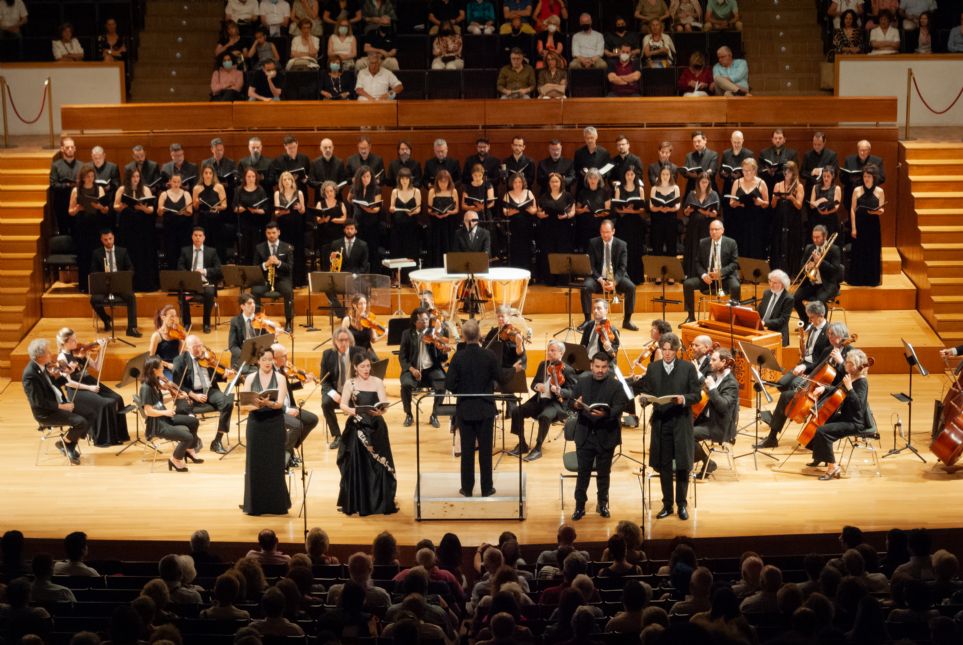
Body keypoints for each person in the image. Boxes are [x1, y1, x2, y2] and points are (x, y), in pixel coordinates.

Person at [635, 332, 702, 520]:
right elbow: (647, 391)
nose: (666, 353)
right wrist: (644, 400)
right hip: (661, 422)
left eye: (670, 350)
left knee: (682, 464)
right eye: (663, 349)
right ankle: (667, 505)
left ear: (676, 351)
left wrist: (684, 398)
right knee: (664, 465)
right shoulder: (653, 368)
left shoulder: (688, 368)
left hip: (681, 421)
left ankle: (681, 504)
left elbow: (696, 395)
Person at [757, 312, 846, 450]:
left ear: (840, 336)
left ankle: (817, 443)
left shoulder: (849, 352)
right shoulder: (829, 349)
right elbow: (816, 367)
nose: (829, 337)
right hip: (814, 388)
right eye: (828, 334)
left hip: (830, 393)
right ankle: (772, 437)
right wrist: (804, 367)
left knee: (791, 393)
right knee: (786, 396)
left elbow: (849, 375)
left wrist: (841, 362)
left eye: (832, 335)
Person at [445, 319, 505, 497]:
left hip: (465, 409)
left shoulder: (458, 357)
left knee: (467, 451)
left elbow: (449, 383)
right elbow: (501, 379)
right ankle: (487, 489)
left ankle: (467, 488)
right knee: (486, 452)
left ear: (463, 337)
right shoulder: (489, 356)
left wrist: (460, 391)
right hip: (485, 409)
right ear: (480, 336)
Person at [567, 352, 629, 520]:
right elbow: (570, 403)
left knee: (604, 474)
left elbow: (619, 407)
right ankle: (580, 506)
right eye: (597, 367)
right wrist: (576, 404)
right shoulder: (582, 381)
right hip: (585, 434)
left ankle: (602, 504)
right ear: (591, 366)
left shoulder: (616, 386)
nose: (600, 370)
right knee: (583, 473)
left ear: (608, 367)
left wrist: (606, 414)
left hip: (606, 434)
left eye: (603, 367)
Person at [338, 353, 399, 515]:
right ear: (356, 368)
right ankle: (361, 501)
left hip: (376, 426)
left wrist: (381, 411)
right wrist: (354, 411)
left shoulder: (378, 382)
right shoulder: (349, 383)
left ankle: (379, 501)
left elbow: (384, 405)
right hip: (358, 427)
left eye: (368, 366)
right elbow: (343, 405)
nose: (366, 369)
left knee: (379, 466)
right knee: (359, 465)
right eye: (362, 366)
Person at [56, 327, 130, 448]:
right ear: (65, 343)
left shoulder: (80, 351)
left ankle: (118, 434)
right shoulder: (61, 358)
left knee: (117, 398)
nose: (76, 342)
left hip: (89, 381)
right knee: (106, 403)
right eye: (73, 340)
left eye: (75, 339)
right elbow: (68, 382)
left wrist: (101, 350)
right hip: (77, 390)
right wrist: (89, 388)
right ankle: (103, 438)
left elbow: (97, 367)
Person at [240, 347, 291, 515]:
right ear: (258, 361)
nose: (268, 362)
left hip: (275, 423)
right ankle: (255, 506)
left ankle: (276, 505)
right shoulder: (250, 378)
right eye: (264, 359)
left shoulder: (281, 378)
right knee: (255, 465)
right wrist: (257, 404)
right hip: (256, 424)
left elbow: (280, 403)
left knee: (274, 464)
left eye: (270, 359)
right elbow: (244, 407)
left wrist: (269, 404)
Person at [22, 339, 89, 466]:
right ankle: (67, 444)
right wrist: (62, 406)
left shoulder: (41, 366)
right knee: (81, 422)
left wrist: (66, 374)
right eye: (48, 352)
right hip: (46, 413)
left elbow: (53, 385)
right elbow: (38, 402)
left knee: (90, 413)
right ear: (39, 356)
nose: (51, 354)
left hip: (56, 405)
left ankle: (66, 443)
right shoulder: (30, 375)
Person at [806, 349, 871, 480]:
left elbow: (858, 406)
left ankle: (833, 467)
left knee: (823, 431)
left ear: (855, 366)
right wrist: (824, 388)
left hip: (855, 422)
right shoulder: (850, 377)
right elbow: (838, 389)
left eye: (848, 363)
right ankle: (821, 456)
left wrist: (850, 388)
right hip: (846, 417)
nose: (845, 364)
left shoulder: (861, 382)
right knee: (821, 421)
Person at [509, 339, 575, 461]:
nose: (549, 353)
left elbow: (572, 392)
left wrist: (559, 390)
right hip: (540, 400)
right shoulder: (543, 365)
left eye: (553, 351)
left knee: (544, 417)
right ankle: (522, 444)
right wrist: (537, 386)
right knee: (517, 411)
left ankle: (538, 448)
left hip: (556, 404)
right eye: (548, 350)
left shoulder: (568, 370)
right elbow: (533, 383)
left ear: (561, 353)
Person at [172, 335, 236, 454]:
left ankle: (217, 441)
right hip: (190, 392)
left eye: (200, 346)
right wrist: (193, 395)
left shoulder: (207, 358)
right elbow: (178, 384)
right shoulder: (179, 360)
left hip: (209, 390)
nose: (198, 349)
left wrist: (224, 375)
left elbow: (215, 376)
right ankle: (194, 440)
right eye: (195, 347)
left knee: (228, 402)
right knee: (183, 409)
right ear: (187, 348)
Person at [139, 356, 202, 473]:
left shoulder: (155, 383)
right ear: (154, 370)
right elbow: (148, 411)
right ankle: (175, 459)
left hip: (165, 417)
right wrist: (166, 412)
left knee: (194, 421)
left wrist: (175, 396)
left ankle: (189, 449)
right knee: (187, 436)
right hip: (157, 424)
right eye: (161, 366)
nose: (163, 368)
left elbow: (158, 402)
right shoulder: (146, 388)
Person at [580, 220, 638, 330]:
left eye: (607, 232)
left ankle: (627, 320)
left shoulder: (622, 244)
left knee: (631, 287)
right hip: (598, 277)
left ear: (613, 231)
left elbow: (622, 267)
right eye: (602, 232)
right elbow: (590, 266)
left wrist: (614, 282)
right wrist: (600, 279)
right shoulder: (593, 243)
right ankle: (587, 320)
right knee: (585, 288)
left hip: (615, 277)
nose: (605, 235)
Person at [681, 220, 740, 325]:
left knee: (735, 286)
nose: (713, 232)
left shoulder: (731, 243)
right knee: (688, 284)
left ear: (722, 230)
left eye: (716, 229)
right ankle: (690, 316)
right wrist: (704, 275)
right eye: (711, 229)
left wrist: (721, 273)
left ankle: (734, 318)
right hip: (707, 278)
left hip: (724, 277)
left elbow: (734, 263)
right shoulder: (703, 242)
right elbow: (697, 262)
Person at [271, 342, 319, 468]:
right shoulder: (269, 373)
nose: (287, 359)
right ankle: (284, 455)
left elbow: (287, 388)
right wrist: (286, 410)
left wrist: (302, 382)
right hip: (277, 410)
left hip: (289, 406)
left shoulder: (281, 369)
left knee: (312, 420)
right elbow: (269, 399)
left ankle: (290, 448)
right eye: (284, 356)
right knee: (297, 425)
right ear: (274, 358)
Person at [692, 348, 739, 478]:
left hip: (719, 426)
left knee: (687, 434)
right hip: (707, 420)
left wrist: (712, 388)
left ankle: (707, 462)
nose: (710, 362)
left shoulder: (731, 384)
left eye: (714, 360)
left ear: (723, 362)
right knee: (679, 425)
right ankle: (681, 462)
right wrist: (698, 375)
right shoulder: (715, 376)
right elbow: (707, 389)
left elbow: (723, 406)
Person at [399, 308, 448, 428]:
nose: (426, 322)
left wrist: (443, 350)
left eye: (427, 319)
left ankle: (435, 414)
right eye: (422, 320)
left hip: (431, 369)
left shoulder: (434, 335)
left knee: (442, 383)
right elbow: (402, 357)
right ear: (415, 322)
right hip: (413, 369)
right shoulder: (407, 334)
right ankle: (409, 414)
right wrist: (412, 369)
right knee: (405, 385)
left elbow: (442, 359)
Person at [113, 166, 158, 292]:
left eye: (138, 176)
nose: (136, 179)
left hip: (142, 224)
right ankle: (129, 284)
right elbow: (115, 206)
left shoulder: (145, 189)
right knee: (129, 253)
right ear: (128, 177)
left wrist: (142, 208)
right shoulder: (122, 189)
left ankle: (144, 284)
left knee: (143, 253)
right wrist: (122, 206)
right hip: (127, 224)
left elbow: (151, 209)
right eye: (133, 176)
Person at [320, 328, 367, 448]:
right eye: (340, 340)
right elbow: (324, 381)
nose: (343, 343)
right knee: (325, 403)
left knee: (366, 401)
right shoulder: (327, 354)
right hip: (337, 394)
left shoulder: (359, 352)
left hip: (354, 391)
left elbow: (367, 375)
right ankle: (337, 436)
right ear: (335, 341)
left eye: (346, 340)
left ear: (350, 341)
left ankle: (361, 434)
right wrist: (331, 393)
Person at [89, 229, 141, 337]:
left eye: (110, 239)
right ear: (101, 240)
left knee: (131, 297)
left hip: (119, 285)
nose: (108, 241)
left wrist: (124, 277)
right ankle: (106, 320)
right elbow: (93, 271)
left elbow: (131, 268)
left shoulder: (122, 251)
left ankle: (132, 328)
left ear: (114, 238)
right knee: (94, 300)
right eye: (105, 240)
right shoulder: (97, 253)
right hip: (104, 285)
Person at [69, 163, 110, 293]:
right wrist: (77, 208)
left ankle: (98, 285)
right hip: (82, 225)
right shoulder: (76, 190)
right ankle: (84, 285)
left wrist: (100, 207)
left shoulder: (100, 189)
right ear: (82, 178)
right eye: (87, 176)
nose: (90, 179)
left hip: (96, 225)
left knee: (97, 254)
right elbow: (70, 211)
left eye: (92, 176)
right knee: (83, 255)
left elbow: (106, 210)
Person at [792, 225, 842, 322]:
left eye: (818, 237)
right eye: (813, 237)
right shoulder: (809, 248)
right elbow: (802, 265)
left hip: (827, 284)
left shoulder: (834, 249)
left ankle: (822, 326)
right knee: (795, 297)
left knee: (819, 301)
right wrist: (807, 267)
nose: (815, 240)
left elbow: (835, 270)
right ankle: (807, 322)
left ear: (825, 236)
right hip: (811, 283)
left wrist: (821, 262)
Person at [176, 227, 222, 333]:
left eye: (200, 235)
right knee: (183, 294)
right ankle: (187, 323)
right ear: (192, 237)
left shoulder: (211, 251)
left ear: (204, 238)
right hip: (190, 283)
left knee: (210, 292)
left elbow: (219, 269)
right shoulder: (185, 250)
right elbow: (180, 266)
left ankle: (206, 323)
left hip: (205, 284)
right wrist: (190, 275)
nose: (197, 237)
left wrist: (204, 271)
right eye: (195, 235)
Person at [252, 222, 295, 332]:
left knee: (288, 291)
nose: (271, 235)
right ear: (266, 234)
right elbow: (254, 268)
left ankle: (289, 321)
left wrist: (278, 262)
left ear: (279, 233)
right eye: (269, 233)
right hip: (265, 280)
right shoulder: (259, 248)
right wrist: (265, 264)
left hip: (281, 279)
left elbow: (290, 268)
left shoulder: (288, 247)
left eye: (274, 233)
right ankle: (257, 320)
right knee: (255, 291)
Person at [534, 171, 575, 284]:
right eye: (552, 181)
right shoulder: (543, 196)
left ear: (561, 182)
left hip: (563, 229)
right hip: (547, 229)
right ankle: (550, 279)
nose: (554, 183)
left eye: (556, 181)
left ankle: (563, 280)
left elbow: (573, 211)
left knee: (562, 253)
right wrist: (540, 215)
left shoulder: (567, 196)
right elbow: (538, 211)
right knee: (549, 253)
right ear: (549, 183)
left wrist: (566, 215)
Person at [848, 164, 884, 287]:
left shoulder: (880, 191)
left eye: (869, 176)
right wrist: (853, 227)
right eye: (864, 176)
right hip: (860, 224)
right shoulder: (857, 190)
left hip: (873, 226)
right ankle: (857, 279)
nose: (866, 178)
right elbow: (852, 210)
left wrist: (877, 212)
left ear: (874, 177)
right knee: (859, 251)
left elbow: (881, 210)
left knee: (872, 252)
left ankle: (871, 280)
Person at [728, 157, 769, 259]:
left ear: (754, 170)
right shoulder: (737, 182)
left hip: (756, 220)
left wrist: (760, 202)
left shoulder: (761, 183)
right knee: (740, 244)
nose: (747, 173)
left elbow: (767, 203)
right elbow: (731, 202)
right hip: (740, 220)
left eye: (749, 171)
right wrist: (737, 203)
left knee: (755, 246)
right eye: (744, 170)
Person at [682, 171, 720, 278]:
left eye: (706, 182)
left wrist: (704, 212)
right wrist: (688, 210)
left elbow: (715, 214)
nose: (704, 184)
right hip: (693, 226)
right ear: (698, 182)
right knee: (693, 248)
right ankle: (691, 273)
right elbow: (685, 212)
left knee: (704, 249)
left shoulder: (713, 194)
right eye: (702, 182)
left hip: (707, 227)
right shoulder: (692, 194)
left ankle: (706, 274)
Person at [612, 164, 646, 284]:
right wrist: (626, 210)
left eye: (632, 174)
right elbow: (616, 208)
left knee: (635, 249)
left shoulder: (640, 189)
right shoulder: (618, 188)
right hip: (623, 223)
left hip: (636, 223)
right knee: (623, 249)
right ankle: (622, 278)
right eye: (628, 174)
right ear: (624, 175)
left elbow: (642, 209)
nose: (630, 177)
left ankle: (636, 278)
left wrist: (633, 211)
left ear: (635, 175)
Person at [770, 160, 805, 273]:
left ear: (794, 173)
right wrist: (775, 198)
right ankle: (778, 270)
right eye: (785, 171)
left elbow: (799, 206)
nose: (786, 173)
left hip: (793, 220)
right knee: (779, 243)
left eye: (789, 171)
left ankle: (792, 271)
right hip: (780, 219)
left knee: (792, 244)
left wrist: (792, 198)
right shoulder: (778, 185)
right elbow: (773, 205)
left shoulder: (799, 186)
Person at [501, 171, 537, 269]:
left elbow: (535, 209)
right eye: (515, 182)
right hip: (514, 227)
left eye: (520, 182)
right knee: (515, 249)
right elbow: (504, 211)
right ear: (512, 183)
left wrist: (530, 210)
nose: (518, 184)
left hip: (527, 226)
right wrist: (511, 212)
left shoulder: (528, 192)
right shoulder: (507, 194)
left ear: (523, 183)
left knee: (526, 250)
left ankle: (527, 273)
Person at [426, 169, 459, 267]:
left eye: (445, 182)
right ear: (437, 182)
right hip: (436, 222)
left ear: (449, 182)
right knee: (437, 245)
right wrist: (435, 213)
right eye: (441, 182)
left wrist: (449, 212)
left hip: (449, 223)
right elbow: (429, 210)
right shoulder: (432, 191)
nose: (443, 184)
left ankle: (450, 266)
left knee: (449, 245)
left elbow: (457, 209)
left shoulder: (453, 191)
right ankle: (436, 266)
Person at [649, 164, 681, 262]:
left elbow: (678, 206)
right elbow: (651, 206)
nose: (665, 176)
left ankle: (671, 276)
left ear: (670, 175)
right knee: (657, 246)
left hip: (671, 219)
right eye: (663, 174)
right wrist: (659, 209)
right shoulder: (654, 188)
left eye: (667, 174)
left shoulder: (675, 188)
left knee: (671, 246)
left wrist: (669, 209)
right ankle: (657, 275)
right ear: (660, 175)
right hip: (657, 219)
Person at [574, 167, 611, 251]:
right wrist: (584, 210)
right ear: (587, 179)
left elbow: (608, 210)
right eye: (590, 178)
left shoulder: (605, 191)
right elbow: (576, 210)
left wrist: (601, 214)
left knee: (599, 250)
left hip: (600, 226)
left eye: (595, 178)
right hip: (585, 226)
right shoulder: (582, 192)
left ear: (599, 179)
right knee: (586, 250)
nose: (592, 180)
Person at [758, 270, 794, 346]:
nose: (771, 285)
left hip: (777, 332)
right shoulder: (767, 293)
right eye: (770, 281)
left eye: (775, 283)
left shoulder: (788, 298)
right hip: (762, 329)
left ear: (783, 285)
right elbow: (759, 310)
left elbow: (783, 320)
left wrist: (765, 323)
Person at [341, 293, 383, 359]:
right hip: (353, 352)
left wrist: (385, 334)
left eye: (365, 303)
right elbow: (342, 339)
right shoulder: (347, 320)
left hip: (367, 351)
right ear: (354, 305)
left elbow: (373, 340)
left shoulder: (369, 319)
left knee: (379, 366)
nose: (363, 306)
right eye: (360, 304)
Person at [149, 305, 184, 380]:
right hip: (164, 368)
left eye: (175, 316)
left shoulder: (177, 332)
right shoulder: (156, 336)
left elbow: (182, 352)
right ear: (163, 317)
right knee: (173, 383)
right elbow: (151, 357)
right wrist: (168, 365)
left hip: (176, 365)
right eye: (171, 316)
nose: (174, 319)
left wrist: (181, 335)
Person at [680, 130, 718, 196]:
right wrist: (685, 172)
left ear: (705, 140)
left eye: (698, 141)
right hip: (692, 189)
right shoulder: (689, 156)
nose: (696, 144)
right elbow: (686, 172)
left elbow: (712, 172)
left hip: (708, 189)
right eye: (694, 142)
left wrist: (698, 175)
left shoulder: (713, 155)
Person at [809, 166, 842, 238]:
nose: (826, 178)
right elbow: (811, 205)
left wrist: (827, 212)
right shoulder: (816, 187)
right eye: (824, 176)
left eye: (828, 176)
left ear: (832, 176)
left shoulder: (836, 188)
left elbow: (836, 206)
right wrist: (819, 202)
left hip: (831, 219)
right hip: (817, 218)